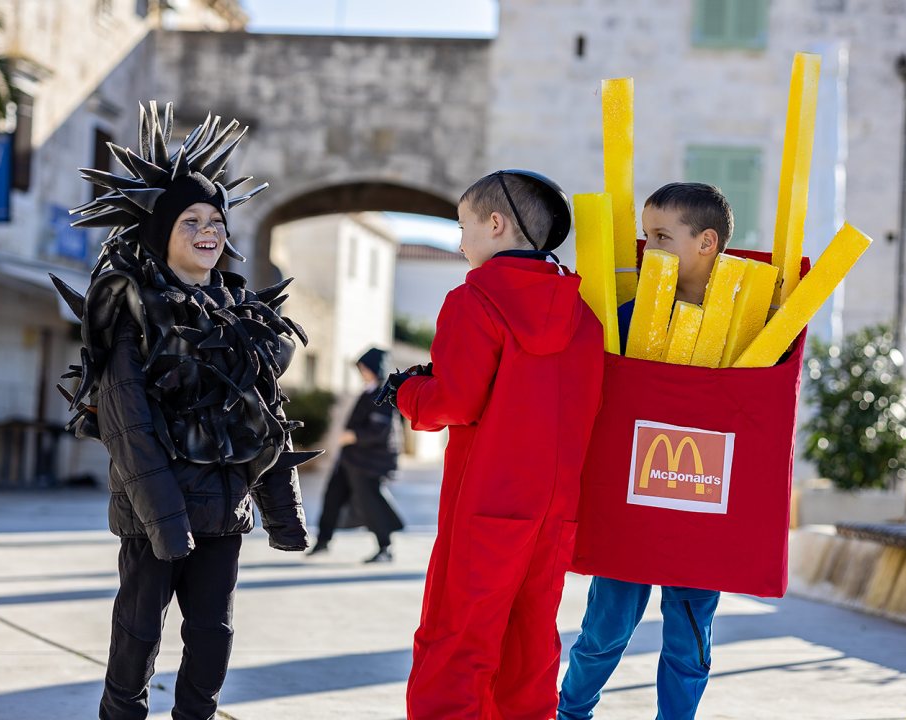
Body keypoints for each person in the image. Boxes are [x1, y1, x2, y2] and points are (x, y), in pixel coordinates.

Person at [50, 102, 318, 720]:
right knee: (137, 639)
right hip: (153, 514)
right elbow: (128, 425)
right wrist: (166, 521)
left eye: (216, 218)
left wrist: (284, 512)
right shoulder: (131, 314)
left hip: (225, 511)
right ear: (159, 233)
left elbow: (266, 420)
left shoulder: (240, 310)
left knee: (212, 641)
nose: (209, 229)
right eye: (191, 219)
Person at [376, 170, 605, 719]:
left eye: (464, 226)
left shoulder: (473, 300)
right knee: (530, 646)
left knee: (457, 640)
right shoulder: (584, 315)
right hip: (555, 511)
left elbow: (453, 403)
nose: (460, 242)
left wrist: (407, 390)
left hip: (485, 503)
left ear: (496, 224)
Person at [558, 182, 732, 720]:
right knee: (604, 628)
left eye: (661, 237)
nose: (648, 248)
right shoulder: (623, 317)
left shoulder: (749, 322)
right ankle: (570, 713)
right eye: (645, 235)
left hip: (702, 500)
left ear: (706, 242)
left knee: (689, 637)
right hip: (631, 499)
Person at [309, 347, 404, 563]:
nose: (361, 371)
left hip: (369, 462)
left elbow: (380, 430)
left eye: (365, 367)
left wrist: (353, 435)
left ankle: (385, 548)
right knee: (332, 497)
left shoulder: (383, 392)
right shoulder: (369, 390)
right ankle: (323, 541)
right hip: (351, 459)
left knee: (371, 503)